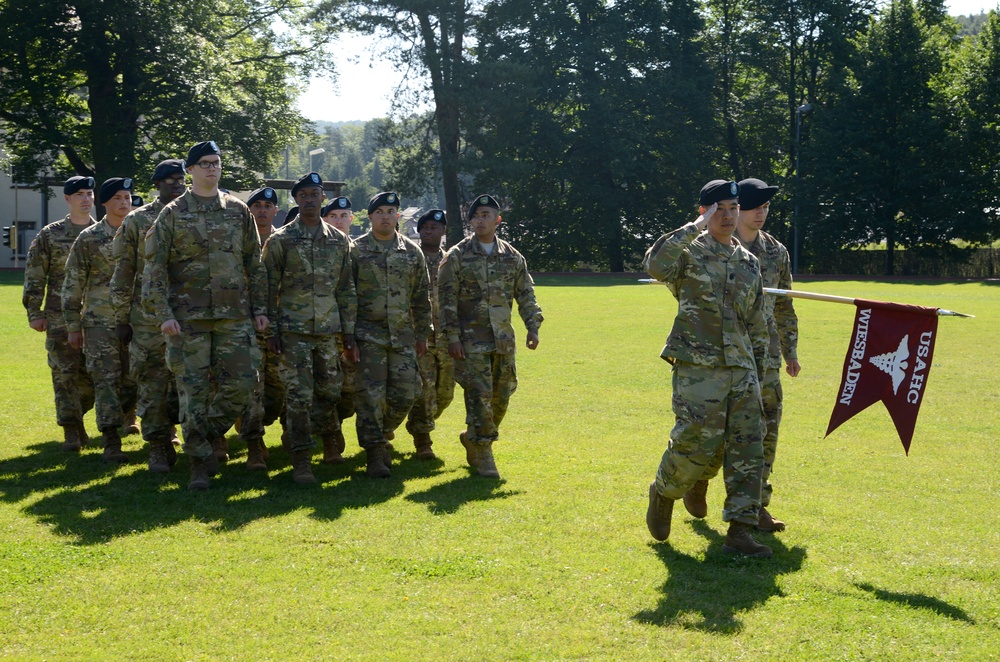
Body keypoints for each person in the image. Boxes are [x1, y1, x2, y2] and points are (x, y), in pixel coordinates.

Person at [643, 179, 773, 557]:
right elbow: (654, 265)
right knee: (695, 440)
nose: (729, 215)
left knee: (749, 447)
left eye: (733, 208)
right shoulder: (688, 253)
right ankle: (666, 490)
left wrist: (761, 373)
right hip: (698, 367)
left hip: (742, 367)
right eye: (720, 209)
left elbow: (757, 322)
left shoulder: (749, 262)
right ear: (705, 212)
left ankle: (740, 529)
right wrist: (695, 228)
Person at [142, 140, 269, 490]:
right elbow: (154, 269)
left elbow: (254, 265)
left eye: (216, 163)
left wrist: (260, 309)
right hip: (189, 320)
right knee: (193, 393)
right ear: (191, 170)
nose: (212, 168)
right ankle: (199, 463)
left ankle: (205, 436)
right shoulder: (172, 213)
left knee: (243, 384)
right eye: (204, 163)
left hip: (234, 317)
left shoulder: (238, 210)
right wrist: (163, 314)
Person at [681, 178, 800, 532]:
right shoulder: (711, 248)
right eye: (753, 206)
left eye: (765, 207)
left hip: (765, 359)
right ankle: (699, 478)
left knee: (764, 432)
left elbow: (784, 305)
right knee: (717, 431)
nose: (761, 212)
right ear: (731, 210)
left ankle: (754, 507)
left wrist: (790, 349)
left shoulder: (776, 252)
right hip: (722, 356)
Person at [437, 194, 543, 479]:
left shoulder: (512, 256)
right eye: (477, 215)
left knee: (501, 399)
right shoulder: (457, 256)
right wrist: (452, 338)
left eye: (487, 215)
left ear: (498, 220)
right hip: (471, 342)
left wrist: (533, 325)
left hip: (503, 341)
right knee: (479, 398)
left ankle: (473, 436)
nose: (481, 220)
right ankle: (484, 453)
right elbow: (446, 300)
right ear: (470, 221)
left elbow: (525, 293)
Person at [263, 173, 356, 482]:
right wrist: (272, 332)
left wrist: (349, 332)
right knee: (299, 396)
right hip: (293, 332)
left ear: (322, 199)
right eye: (303, 194)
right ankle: (302, 458)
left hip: (329, 331)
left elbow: (345, 289)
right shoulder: (281, 240)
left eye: (315, 194)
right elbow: (268, 288)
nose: (310, 199)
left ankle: (329, 439)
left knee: (330, 392)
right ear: (296, 200)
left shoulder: (339, 240)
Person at [110, 159, 186, 472]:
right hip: (147, 318)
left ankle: (183, 434)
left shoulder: (194, 213)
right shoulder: (137, 220)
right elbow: (123, 269)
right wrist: (121, 317)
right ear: (156, 184)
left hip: (189, 315)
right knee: (152, 382)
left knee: (186, 381)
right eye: (169, 180)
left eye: (181, 179)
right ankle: (157, 444)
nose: (177, 184)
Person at [352, 191, 431, 477]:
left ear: (397, 216)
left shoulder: (411, 251)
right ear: (370, 216)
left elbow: (421, 297)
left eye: (390, 211)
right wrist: (348, 337)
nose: (385, 216)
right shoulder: (356, 250)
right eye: (380, 211)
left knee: (408, 392)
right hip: (367, 336)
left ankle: (383, 433)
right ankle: (374, 452)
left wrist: (423, 333)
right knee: (370, 396)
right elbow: (346, 295)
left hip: (402, 336)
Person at [62, 177, 139, 462]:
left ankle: (125, 421)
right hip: (99, 323)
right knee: (105, 382)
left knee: (134, 381)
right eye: (118, 198)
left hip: (137, 322)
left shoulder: (142, 234)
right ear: (105, 202)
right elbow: (73, 285)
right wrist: (73, 326)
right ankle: (110, 441)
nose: (124, 203)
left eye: (128, 197)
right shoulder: (89, 238)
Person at [22, 176, 97, 450]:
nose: (86, 199)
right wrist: (34, 313)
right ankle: (71, 430)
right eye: (79, 194)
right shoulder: (50, 234)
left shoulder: (101, 232)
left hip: (95, 319)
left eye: (89, 193)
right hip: (58, 318)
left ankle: (78, 419)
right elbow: (34, 276)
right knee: (64, 376)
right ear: (67, 199)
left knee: (91, 380)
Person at [404, 209, 455, 460]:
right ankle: (423, 440)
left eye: (434, 227)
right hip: (419, 337)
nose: (428, 230)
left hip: (446, 338)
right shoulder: (411, 258)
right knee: (425, 390)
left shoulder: (452, 261)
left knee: (445, 393)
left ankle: (415, 421)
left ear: (443, 231)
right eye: (424, 227)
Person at [241, 186, 287, 466]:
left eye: (267, 206)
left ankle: (275, 429)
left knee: (277, 389)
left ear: (275, 211)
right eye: (256, 205)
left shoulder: (284, 241)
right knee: (251, 388)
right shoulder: (239, 241)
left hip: (279, 327)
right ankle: (254, 444)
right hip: (244, 327)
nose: (261, 210)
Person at [322, 196, 358, 456]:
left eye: (343, 216)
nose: (338, 220)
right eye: (333, 216)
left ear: (351, 219)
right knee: (328, 386)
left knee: (351, 390)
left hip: (357, 332)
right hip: (327, 330)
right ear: (325, 219)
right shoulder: (321, 251)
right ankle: (331, 437)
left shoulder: (363, 250)